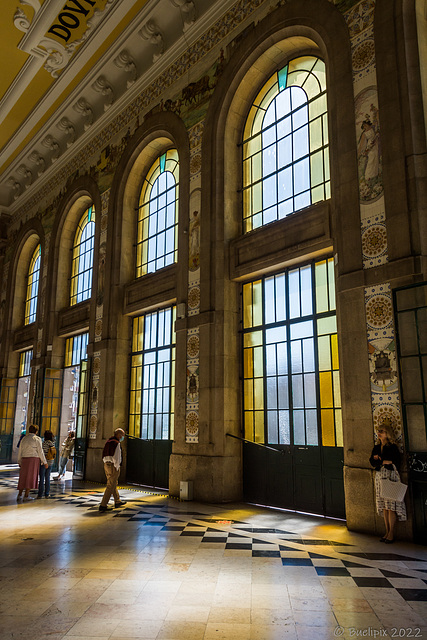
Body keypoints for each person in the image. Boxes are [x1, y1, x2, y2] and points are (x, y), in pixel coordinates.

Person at [369, 421, 406, 543]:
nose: (379, 433)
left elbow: (394, 461)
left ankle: (391, 533)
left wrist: (382, 461)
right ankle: (386, 531)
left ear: (387, 434)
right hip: (379, 477)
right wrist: (382, 461)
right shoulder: (376, 447)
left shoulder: (392, 447)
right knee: (384, 506)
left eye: (382, 431)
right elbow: (372, 461)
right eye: (378, 431)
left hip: (390, 477)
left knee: (390, 506)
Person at [99, 428, 127, 512]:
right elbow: (117, 457)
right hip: (113, 466)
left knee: (113, 482)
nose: (123, 437)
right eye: (122, 435)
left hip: (106, 464)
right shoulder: (116, 443)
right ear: (119, 435)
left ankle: (117, 500)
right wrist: (117, 467)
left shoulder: (108, 441)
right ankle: (103, 505)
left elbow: (104, 454)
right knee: (110, 485)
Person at [17, 424, 48, 501]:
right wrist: (45, 462)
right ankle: (26, 495)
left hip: (24, 459)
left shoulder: (24, 438)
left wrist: (19, 460)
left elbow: (20, 450)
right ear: (36, 431)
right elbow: (40, 451)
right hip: (33, 460)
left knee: (23, 477)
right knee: (31, 477)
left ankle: (19, 494)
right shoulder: (37, 439)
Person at [38, 430, 56, 498]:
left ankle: (40, 494)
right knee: (47, 478)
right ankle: (47, 493)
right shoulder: (52, 443)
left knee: (42, 479)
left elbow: (42, 453)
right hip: (50, 462)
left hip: (44, 462)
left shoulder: (44, 443)